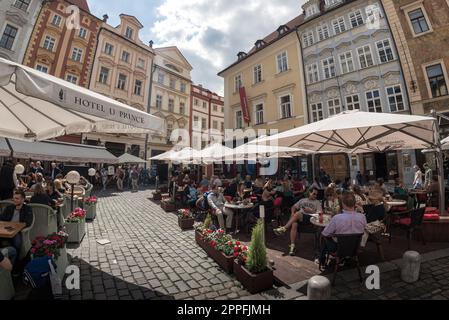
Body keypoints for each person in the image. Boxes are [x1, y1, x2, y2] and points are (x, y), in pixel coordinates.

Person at [319, 191, 367, 265]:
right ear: (355, 203)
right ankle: (342, 259)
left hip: (339, 249)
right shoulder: (362, 217)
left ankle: (322, 260)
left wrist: (333, 233)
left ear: (343, 204)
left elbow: (325, 233)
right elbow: (363, 228)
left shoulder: (337, 218)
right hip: (355, 248)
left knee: (323, 236)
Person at [273, 187, 323, 256]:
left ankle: (284, 228)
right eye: (314, 194)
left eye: (316, 194)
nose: (315, 196)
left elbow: (319, 213)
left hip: (310, 218)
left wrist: (311, 211)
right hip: (300, 217)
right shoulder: (302, 200)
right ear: (309, 193)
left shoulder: (317, 202)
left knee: (297, 214)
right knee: (294, 223)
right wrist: (292, 213)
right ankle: (292, 247)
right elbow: (293, 207)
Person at [0, 190, 33, 260]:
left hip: (18, 231)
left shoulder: (27, 209)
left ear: (23, 199)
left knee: (17, 242)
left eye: (17, 198)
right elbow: (2, 218)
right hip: (6, 230)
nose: (15, 200)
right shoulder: (9, 208)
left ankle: (16, 261)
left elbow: (28, 222)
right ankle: (3, 258)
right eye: (14, 198)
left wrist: (16, 226)